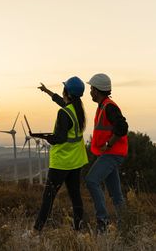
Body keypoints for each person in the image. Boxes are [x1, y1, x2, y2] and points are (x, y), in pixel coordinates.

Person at [31, 76, 89, 232]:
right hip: (76, 161)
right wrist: (47, 91)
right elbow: (59, 100)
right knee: (75, 196)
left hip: (61, 162)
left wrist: (46, 137)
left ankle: (36, 231)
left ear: (68, 93)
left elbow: (60, 138)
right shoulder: (77, 110)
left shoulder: (64, 113)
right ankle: (78, 229)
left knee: (48, 198)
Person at [85, 73, 128, 233]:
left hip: (113, 154)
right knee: (116, 193)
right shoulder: (104, 106)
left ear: (96, 90)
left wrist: (109, 144)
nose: (90, 91)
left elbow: (122, 127)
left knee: (91, 180)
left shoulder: (109, 106)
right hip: (110, 154)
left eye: (91, 88)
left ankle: (102, 221)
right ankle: (126, 224)